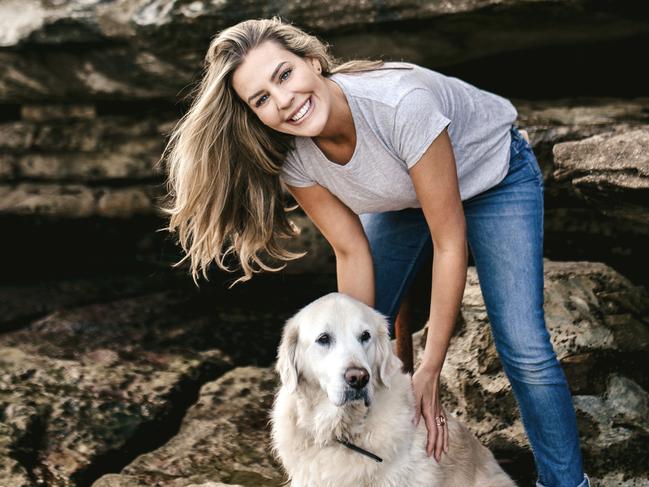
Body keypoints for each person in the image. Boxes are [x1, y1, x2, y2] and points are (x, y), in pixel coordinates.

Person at [161, 16, 590, 487]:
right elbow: (350, 252)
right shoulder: (294, 155)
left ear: (312, 61)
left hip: (493, 177)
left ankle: (567, 483)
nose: (283, 100)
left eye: (284, 75)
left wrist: (429, 371)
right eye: (261, 98)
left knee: (524, 348)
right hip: (400, 198)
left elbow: (449, 242)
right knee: (359, 332)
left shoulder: (398, 105)